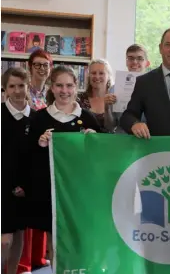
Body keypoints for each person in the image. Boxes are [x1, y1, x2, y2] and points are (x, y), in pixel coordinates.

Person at [27, 66, 100, 267]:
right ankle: (56, 269)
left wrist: (95, 142)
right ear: (51, 87)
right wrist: (40, 143)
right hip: (50, 190)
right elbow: (28, 155)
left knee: (80, 234)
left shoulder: (87, 118)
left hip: (80, 190)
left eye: (69, 85)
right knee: (54, 235)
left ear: (76, 87)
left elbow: (101, 158)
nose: (64, 90)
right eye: (59, 85)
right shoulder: (40, 118)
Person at [19, 49, 52, 274]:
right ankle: (24, 262)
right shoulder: (22, 91)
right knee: (26, 209)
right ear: (29, 66)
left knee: (42, 205)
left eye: (45, 65)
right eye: (37, 64)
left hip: (45, 153)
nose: (41, 68)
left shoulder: (51, 94)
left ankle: (40, 257)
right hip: (25, 150)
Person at [1, 68, 35, 274]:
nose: (17, 91)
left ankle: (12, 271)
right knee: (5, 240)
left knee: (19, 236)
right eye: (11, 86)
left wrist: (27, 185)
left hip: (24, 188)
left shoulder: (36, 118)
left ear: (27, 86)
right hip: (2, 184)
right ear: (4, 89)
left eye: (21, 85)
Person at [77, 59, 117, 133]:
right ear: (89, 75)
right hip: (85, 142)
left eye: (101, 73)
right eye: (93, 73)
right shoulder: (79, 99)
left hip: (110, 143)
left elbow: (114, 128)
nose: (97, 76)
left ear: (108, 76)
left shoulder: (115, 99)